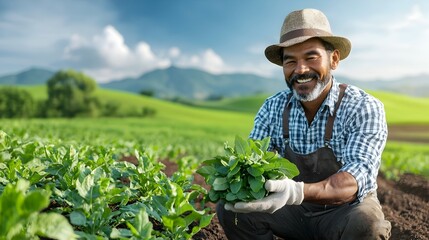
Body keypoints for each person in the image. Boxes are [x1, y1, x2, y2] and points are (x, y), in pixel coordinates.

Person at [216, 8, 392, 239]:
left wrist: (296, 191)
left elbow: (354, 181)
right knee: (232, 211)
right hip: (290, 211)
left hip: (343, 212)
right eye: (290, 61)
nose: (300, 70)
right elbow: (253, 161)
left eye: (311, 57)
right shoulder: (273, 108)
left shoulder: (363, 107)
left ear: (334, 59)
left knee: (367, 224)